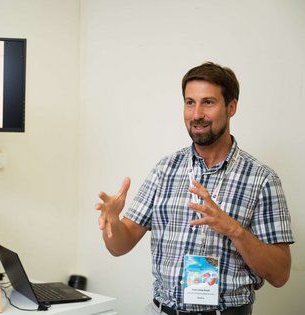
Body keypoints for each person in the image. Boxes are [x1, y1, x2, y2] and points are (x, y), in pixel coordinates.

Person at [95, 62, 294, 315]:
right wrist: (112, 221)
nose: (196, 114)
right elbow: (119, 246)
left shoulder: (262, 179)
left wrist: (234, 229)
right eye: (190, 102)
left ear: (231, 107)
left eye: (208, 102)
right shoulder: (165, 169)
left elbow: (280, 274)